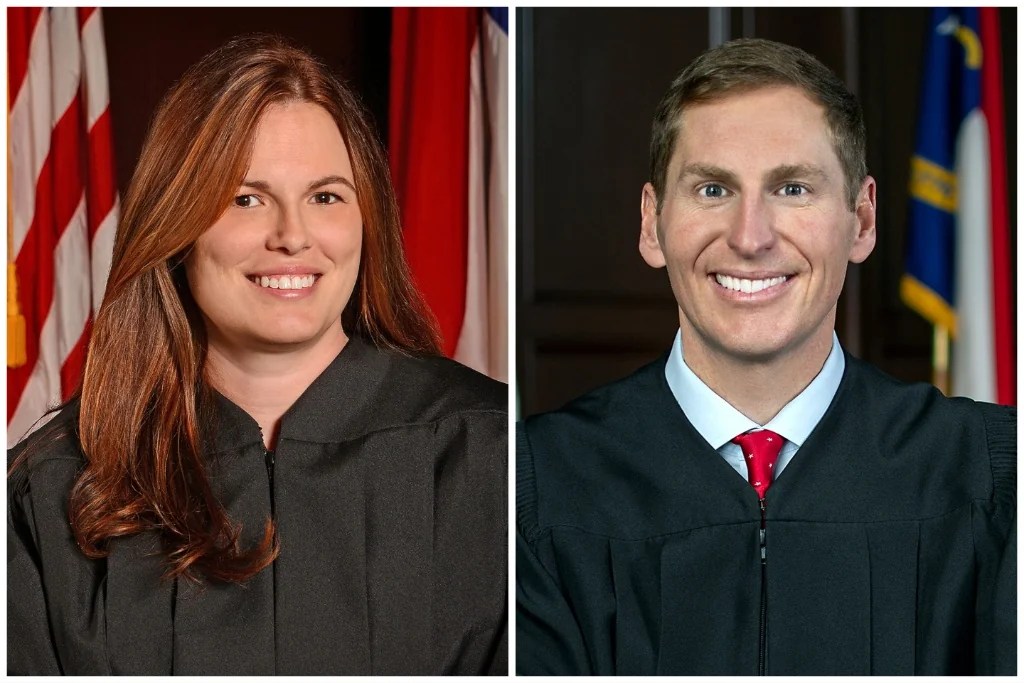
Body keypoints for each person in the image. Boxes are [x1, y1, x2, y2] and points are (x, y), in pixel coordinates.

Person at [8, 35, 507, 675]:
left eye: (326, 197)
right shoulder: (57, 485)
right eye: (246, 198)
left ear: (367, 222)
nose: (292, 236)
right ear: (177, 227)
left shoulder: (491, 456)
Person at [516, 38, 1015, 675]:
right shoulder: (539, 485)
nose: (750, 238)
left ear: (861, 219)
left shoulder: (989, 476)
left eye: (793, 188)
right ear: (652, 223)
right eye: (713, 190)